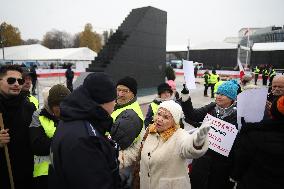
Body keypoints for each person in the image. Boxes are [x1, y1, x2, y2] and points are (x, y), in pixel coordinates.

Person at [49, 73, 121, 189]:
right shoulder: (84, 139)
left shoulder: (74, 120)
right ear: (103, 100)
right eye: (114, 98)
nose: (115, 103)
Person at [138, 100, 210, 189]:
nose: (160, 119)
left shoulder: (180, 135)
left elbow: (188, 149)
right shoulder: (150, 130)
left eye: (166, 117)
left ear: (174, 121)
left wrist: (197, 142)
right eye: (159, 114)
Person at [180, 80, 239, 189]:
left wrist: (235, 173)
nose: (218, 96)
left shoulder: (239, 115)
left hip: (222, 167)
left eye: (223, 95)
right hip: (202, 162)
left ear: (231, 98)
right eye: (217, 93)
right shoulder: (212, 107)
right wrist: (185, 97)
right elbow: (193, 114)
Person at [231, 96, 284, 189]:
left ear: (272, 111)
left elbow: (242, 160)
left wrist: (235, 176)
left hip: (253, 182)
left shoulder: (254, 134)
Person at [0, 65, 36, 189]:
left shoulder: (29, 107)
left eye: (20, 81)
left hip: (24, 172)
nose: (17, 84)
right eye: (11, 80)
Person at [29, 84, 70, 189]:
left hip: (69, 171)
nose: (61, 110)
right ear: (50, 105)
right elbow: (38, 146)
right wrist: (65, 141)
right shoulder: (38, 116)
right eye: (57, 106)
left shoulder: (73, 115)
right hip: (44, 174)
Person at [110, 76, 144, 188]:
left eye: (125, 91)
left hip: (122, 162)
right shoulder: (119, 106)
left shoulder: (131, 115)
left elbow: (114, 143)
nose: (120, 94)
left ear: (133, 94)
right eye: (118, 90)